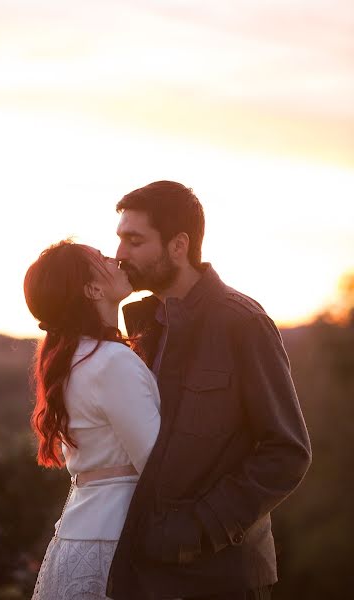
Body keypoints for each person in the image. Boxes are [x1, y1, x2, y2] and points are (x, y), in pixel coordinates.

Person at [106, 181, 312, 600]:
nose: (121, 254)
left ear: (178, 246)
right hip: (146, 575)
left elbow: (287, 452)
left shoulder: (243, 323)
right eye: (120, 240)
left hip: (223, 579)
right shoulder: (145, 325)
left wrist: (196, 529)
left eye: (135, 240)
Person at [23, 239, 160, 600]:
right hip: (116, 539)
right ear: (93, 289)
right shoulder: (112, 361)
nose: (115, 258)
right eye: (101, 258)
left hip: (79, 530)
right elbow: (157, 463)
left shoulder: (71, 359)